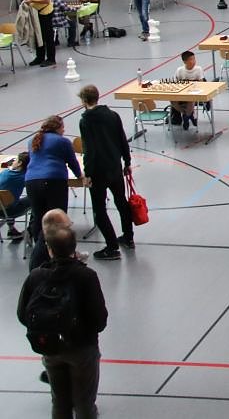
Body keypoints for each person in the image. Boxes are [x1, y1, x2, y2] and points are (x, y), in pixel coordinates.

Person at [18, 223, 109, 418]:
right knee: (84, 404)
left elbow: (22, 314)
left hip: (50, 346)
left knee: (59, 403)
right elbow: (100, 319)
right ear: (73, 247)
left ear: (49, 249)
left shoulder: (36, 276)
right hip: (82, 348)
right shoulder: (86, 276)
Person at [76, 85, 135, 261]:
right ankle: (128, 237)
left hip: (98, 171)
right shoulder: (112, 115)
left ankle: (111, 246)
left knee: (99, 210)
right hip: (115, 166)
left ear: (84, 100)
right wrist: (127, 161)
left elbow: (89, 149)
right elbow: (122, 139)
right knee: (121, 202)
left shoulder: (86, 121)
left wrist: (87, 173)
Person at [25, 117, 82, 261]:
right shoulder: (62, 141)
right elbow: (72, 162)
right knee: (58, 220)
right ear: (57, 128)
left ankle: (40, 255)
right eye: (62, 127)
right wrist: (80, 176)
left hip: (31, 182)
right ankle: (62, 254)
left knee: (39, 218)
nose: (64, 130)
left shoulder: (32, 140)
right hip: (53, 181)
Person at [25, 0, 56, 67]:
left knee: (48, 36)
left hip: (45, 13)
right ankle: (40, 57)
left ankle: (51, 58)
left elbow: (47, 0)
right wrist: (29, 0)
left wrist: (32, 1)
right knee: (38, 35)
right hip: (35, 12)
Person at [170, 50, 206, 129]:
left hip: (195, 93)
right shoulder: (179, 70)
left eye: (194, 59)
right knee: (172, 101)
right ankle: (188, 114)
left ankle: (186, 117)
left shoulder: (198, 69)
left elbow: (202, 84)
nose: (193, 61)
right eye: (191, 59)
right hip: (183, 94)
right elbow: (175, 84)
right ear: (185, 61)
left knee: (191, 99)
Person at [0, 152, 30, 240]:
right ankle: (32, 230)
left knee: (7, 200)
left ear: (20, 163)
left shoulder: (4, 172)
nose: (13, 162)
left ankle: (12, 229)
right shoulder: (25, 177)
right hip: (10, 211)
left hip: (2, 207)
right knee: (35, 198)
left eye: (15, 160)